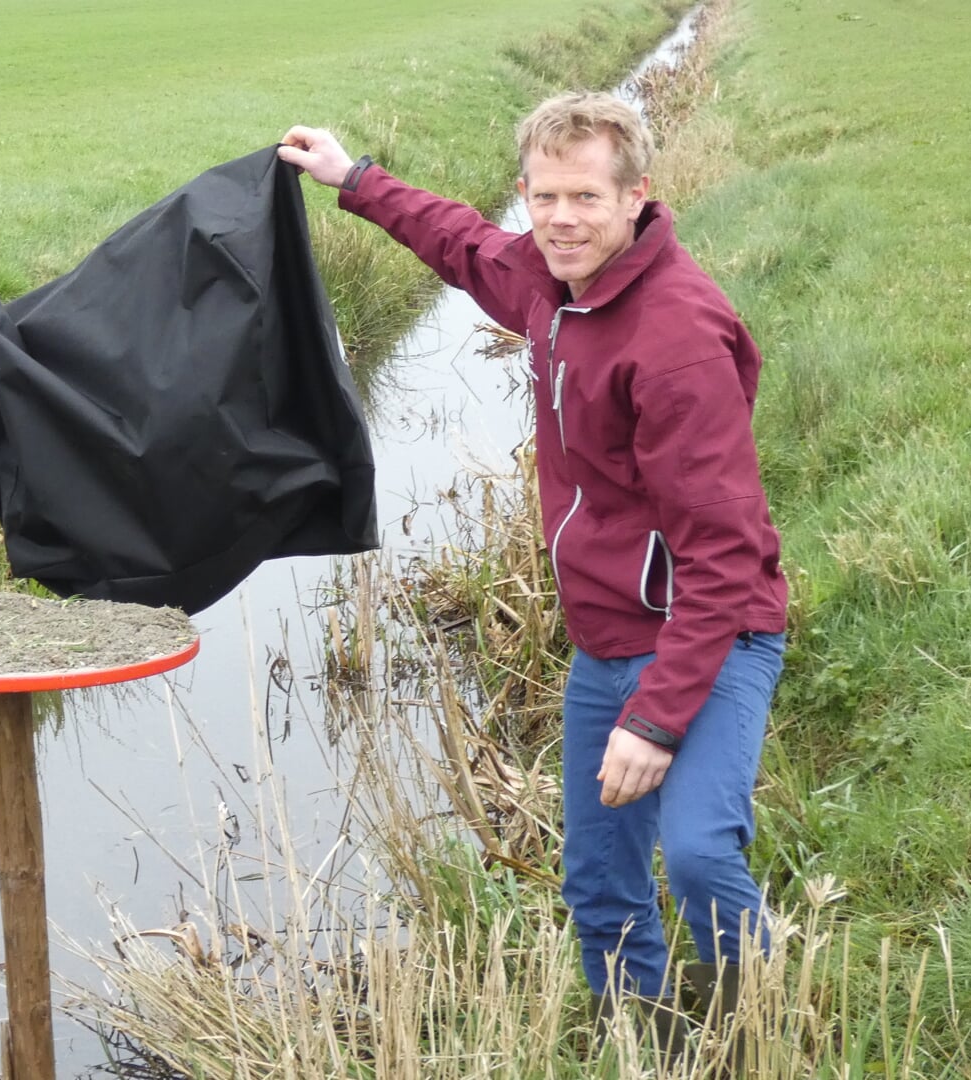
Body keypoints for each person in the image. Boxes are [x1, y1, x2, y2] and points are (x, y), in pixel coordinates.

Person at [280, 93, 788, 1033]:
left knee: (698, 854)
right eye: (543, 196)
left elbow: (721, 558)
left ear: (636, 197)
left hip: (709, 636)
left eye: (585, 198)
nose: (560, 219)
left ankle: (754, 1032)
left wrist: (659, 721)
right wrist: (352, 178)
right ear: (525, 192)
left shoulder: (675, 341)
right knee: (597, 876)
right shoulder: (548, 281)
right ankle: (642, 1037)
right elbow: (463, 243)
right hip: (607, 638)